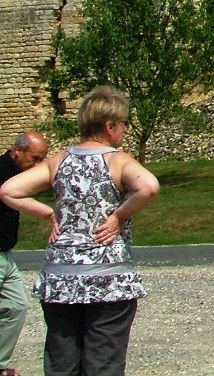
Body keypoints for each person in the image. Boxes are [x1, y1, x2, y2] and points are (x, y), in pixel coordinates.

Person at [0, 86, 160, 376]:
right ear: (110, 126)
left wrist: (51, 213)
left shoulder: (59, 160)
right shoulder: (118, 160)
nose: (125, 129)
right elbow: (148, 187)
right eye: (124, 123)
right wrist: (119, 215)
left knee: (62, 364)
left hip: (62, 279)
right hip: (108, 279)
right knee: (103, 364)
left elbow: (10, 190)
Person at [0, 131, 49, 376]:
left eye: (43, 159)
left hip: (6, 254)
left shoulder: (19, 176)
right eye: (35, 158)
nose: (38, 165)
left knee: (17, 306)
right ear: (17, 152)